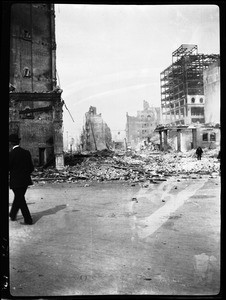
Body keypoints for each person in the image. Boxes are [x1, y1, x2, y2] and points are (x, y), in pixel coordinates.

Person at [9, 134, 34, 225]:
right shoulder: (26, 152)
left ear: (11, 143)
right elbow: (31, 168)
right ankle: (12, 214)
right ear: (18, 142)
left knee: (21, 200)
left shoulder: (11, 154)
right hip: (25, 181)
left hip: (16, 182)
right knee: (19, 198)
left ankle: (28, 220)